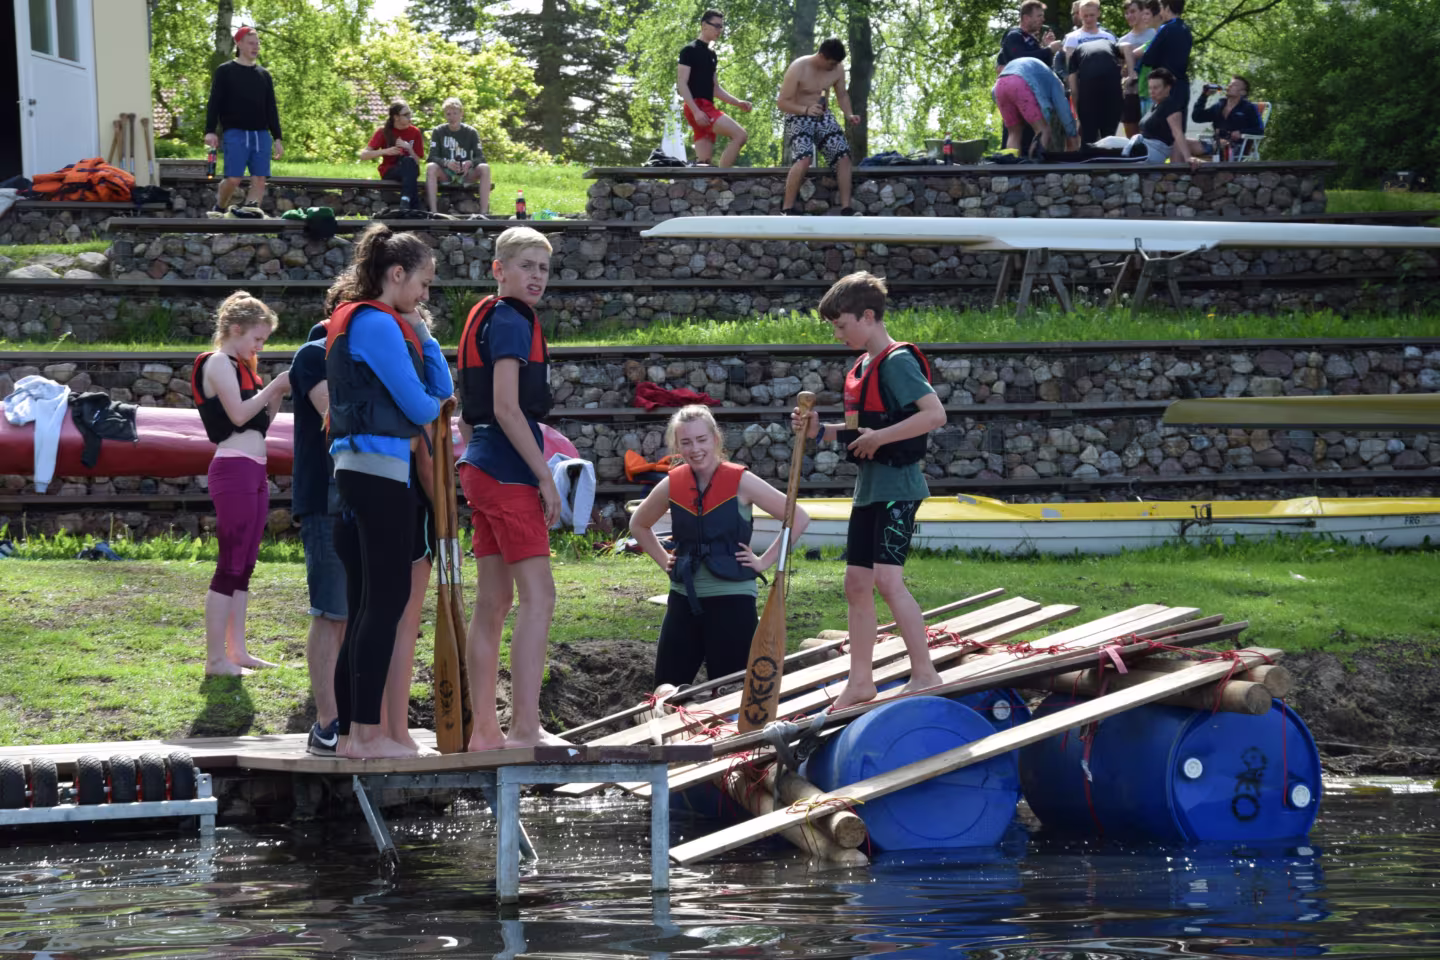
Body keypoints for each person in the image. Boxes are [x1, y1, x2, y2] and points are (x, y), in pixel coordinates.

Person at [324, 224, 452, 760]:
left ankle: (354, 735)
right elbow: (431, 403)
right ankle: (367, 736)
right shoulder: (376, 324)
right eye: (422, 283)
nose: (425, 296)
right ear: (396, 275)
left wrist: (420, 332)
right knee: (387, 603)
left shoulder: (355, 320)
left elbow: (438, 396)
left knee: (363, 606)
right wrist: (422, 335)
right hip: (378, 475)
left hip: (355, 473)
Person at [790, 272, 947, 711]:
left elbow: (934, 415)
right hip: (869, 489)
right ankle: (861, 682)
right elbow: (859, 431)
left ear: (868, 316)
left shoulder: (897, 362)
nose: (838, 335)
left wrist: (881, 439)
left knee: (885, 580)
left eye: (841, 325)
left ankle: (925, 674)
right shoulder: (861, 368)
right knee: (856, 583)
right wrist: (819, 431)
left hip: (899, 488)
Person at [455, 227, 565, 751]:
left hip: (479, 464)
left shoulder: (485, 315)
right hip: (506, 469)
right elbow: (504, 405)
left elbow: (467, 412)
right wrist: (544, 474)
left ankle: (484, 733)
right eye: (525, 266)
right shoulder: (511, 320)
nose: (536, 276)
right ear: (498, 270)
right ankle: (524, 729)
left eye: (543, 268)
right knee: (538, 598)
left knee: (495, 600)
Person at [629, 406, 811, 689]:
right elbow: (638, 525)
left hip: (733, 599)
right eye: (686, 442)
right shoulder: (672, 483)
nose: (695, 448)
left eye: (701, 439)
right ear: (677, 446)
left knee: (730, 690)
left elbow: (798, 518)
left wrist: (764, 561)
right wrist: (663, 559)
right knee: (666, 687)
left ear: (715, 439)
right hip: (684, 598)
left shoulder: (742, 481)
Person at [192, 291, 290, 676]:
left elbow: (260, 422)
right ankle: (215, 659)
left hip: (254, 469)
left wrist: (275, 392)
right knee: (229, 564)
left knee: (245, 565)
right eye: (257, 339)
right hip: (232, 469)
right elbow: (236, 416)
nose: (259, 346)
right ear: (235, 329)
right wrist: (273, 387)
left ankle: (238, 651)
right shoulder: (218, 362)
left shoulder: (243, 366)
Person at [290, 322, 347, 754]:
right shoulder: (313, 355)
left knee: (357, 614)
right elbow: (337, 417)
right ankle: (327, 723)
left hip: (363, 498)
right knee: (331, 612)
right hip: (325, 502)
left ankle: (353, 715)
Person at [203, 25, 283, 217]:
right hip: (235, 132)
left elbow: (271, 108)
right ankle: (220, 207)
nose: (255, 47)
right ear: (238, 44)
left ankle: (250, 210)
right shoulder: (225, 71)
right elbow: (214, 102)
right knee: (233, 179)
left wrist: (277, 138)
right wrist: (210, 130)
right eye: (251, 43)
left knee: (260, 178)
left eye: (257, 44)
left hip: (261, 134)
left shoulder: (264, 75)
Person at [777, 38, 862, 216]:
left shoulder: (837, 68)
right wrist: (805, 110)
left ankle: (846, 208)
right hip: (797, 115)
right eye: (831, 63)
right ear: (822, 56)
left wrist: (849, 115)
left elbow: (842, 95)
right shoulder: (799, 67)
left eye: (837, 64)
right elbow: (782, 103)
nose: (834, 67)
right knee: (804, 158)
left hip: (823, 117)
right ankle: (787, 208)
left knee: (843, 155)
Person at [677, 10, 753, 167]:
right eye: (717, 26)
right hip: (697, 107)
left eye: (722, 27)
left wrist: (737, 102)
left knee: (704, 164)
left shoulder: (712, 54)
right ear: (704, 25)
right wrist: (696, 111)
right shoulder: (689, 50)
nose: (720, 30)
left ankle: (712, 183)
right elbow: (682, 84)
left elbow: (715, 89)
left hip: (705, 107)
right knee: (740, 135)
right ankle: (722, 176)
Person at [993, 55, 1079, 154]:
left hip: (999, 85)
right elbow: (1063, 110)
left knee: (1014, 133)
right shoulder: (1056, 82)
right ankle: (1036, 165)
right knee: (1043, 130)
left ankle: (1012, 165)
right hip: (1019, 82)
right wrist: (1072, 133)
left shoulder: (1039, 71)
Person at [426, 97, 491, 217]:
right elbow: (431, 157)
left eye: (455, 113)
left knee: (485, 168)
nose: (452, 117)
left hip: (466, 174)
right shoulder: (438, 131)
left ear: (461, 113)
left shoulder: (471, 132)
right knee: (431, 167)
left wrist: (470, 163)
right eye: (448, 114)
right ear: (445, 115)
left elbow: (481, 157)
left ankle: (483, 212)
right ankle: (433, 212)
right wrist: (446, 163)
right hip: (445, 174)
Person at [360, 101, 426, 213]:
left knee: (409, 161)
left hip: (410, 170)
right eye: (406, 115)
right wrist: (385, 151)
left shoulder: (415, 132)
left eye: (410, 113)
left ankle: (405, 202)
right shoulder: (383, 132)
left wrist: (409, 148)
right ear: (396, 117)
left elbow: (418, 162)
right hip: (390, 170)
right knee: (409, 171)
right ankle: (413, 205)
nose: (410, 117)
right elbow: (363, 155)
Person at [1139, 0, 1192, 125]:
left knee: (1160, 132)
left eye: (1161, 7)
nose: (1161, 11)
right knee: (1177, 132)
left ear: (1167, 8)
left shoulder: (1166, 28)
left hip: (1166, 87)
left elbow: (1148, 58)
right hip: (1182, 86)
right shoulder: (1186, 30)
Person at [1187, 76, 1265, 159]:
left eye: (1235, 85)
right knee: (1181, 143)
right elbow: (1197, 117)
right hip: (1215, 143)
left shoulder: (1249, 108)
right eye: (1230, 84)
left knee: (1185, 147)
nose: (1230, 86)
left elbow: (1259, 130)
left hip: (1234, 147)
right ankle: (1178, 171)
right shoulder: (1219, 105)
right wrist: (1204, 96)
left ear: (1243, 92)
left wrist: (1241, 132)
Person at [1068, 31, 1124, 144]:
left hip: (1088, 94)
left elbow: (1073, 90)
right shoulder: (1111, 44)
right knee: (1110, 137)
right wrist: (1128, 70)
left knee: (1088, 137)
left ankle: (1088, 157)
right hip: (1112, 91)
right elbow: (1127, 47)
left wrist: (1079, 118)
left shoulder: (1075, 52)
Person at [1138, 67, 1196, 165]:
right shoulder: (1155, 105)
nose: (1152, 91)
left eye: (1156, 88)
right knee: (1107, 144)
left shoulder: (1170, 105)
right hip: (1142, 148)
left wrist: (1188, 157)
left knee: (1109, 144)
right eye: (1150, 87)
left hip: (1152, 152)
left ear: (1167, 88)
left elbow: (1177, 132)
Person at [1118, 0, 1159, 136]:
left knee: (1149, 136)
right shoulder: (1122, 40)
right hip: (1130, 93)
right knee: (1132, 139)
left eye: (1133, 11)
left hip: (1151, 93)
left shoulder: (1155, 34)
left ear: (1143, 11)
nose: (1129, 15)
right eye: (1126, 13)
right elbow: (1120, 69)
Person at [997, 0, 1060, 70]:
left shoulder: (1031, 39)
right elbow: (1019, 59)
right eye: (1039, 16)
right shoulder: (1014, 35)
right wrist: (1049, 49)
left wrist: (1046, 46)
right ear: (1026, 18)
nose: (1043, 19)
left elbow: (1044, 65)